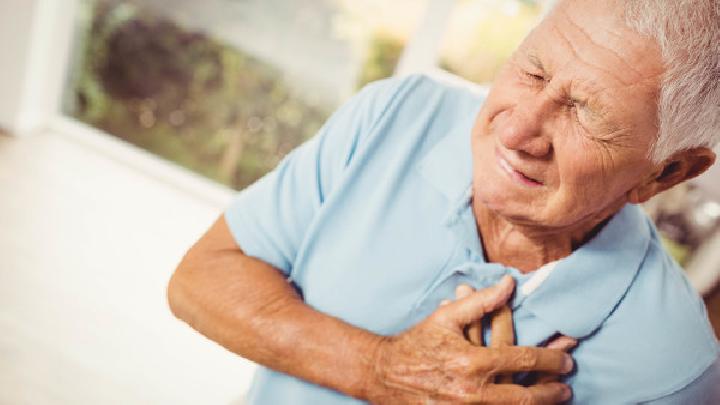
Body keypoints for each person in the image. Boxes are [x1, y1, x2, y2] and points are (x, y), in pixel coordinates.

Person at [167, 0, 720, 403]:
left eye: (587, 114)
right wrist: (377, 369)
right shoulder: (399, 114)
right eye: (533, 70)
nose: (517, 129)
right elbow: (201, 277)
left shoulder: (672, 364)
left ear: (668, 171)